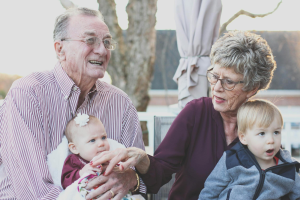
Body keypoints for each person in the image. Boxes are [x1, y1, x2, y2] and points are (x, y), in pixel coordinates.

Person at [89, 31, 278, 200]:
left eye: (228, 82)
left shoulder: (264, 123)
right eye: (214, 75)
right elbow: (159, 174)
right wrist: (142, 157)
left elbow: (276, 178)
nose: (217, 87)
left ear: (252, 88)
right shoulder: (196, 113)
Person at [0, 7, 146, 200]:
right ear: (60, 50)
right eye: (90, 40)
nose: (102, 50)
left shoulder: (120, 102)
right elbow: (33, 192)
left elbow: (142, 178)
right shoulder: (28, 94)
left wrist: (131, 178)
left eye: (107, 42)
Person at [199, 100, 300, 200]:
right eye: (262, 133)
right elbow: (210, 191)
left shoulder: (288, 168)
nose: (271, 140)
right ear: (243, 138)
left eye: (276, 132)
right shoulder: (232, 160)